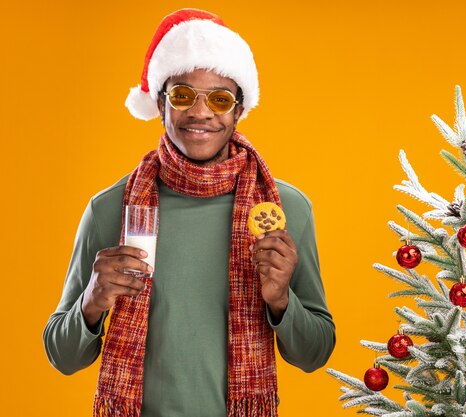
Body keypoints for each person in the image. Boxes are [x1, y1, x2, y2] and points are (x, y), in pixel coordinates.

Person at [43, 9, 335, 417]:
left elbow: (315, 353)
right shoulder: (112, 208)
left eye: (219, 98)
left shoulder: (285, 209)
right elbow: (62, 355)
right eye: (183, 95)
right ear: (161, 102)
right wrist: (92, 300)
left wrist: (282, 300)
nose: (200, 113)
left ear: (239, 109)